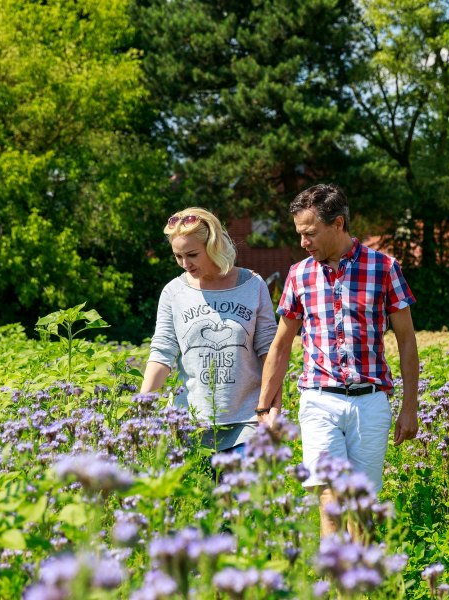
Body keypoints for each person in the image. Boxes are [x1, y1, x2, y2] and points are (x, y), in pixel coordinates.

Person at [256, 184, 419, 537]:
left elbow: (406, 340)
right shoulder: (299, 274)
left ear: (338, 224)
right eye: (299, 234)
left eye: (310, 233)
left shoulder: (384, 267)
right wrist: (264, 410)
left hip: (370, 402)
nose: (303, 242)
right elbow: (281, 345)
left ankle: (358, 588)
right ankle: (332, 585)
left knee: (361, 506)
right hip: (319, 399)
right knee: (330, 498)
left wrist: (410, 407)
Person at [140, 207, 279, 453]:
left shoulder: (253, 285)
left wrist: (271, 408)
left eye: (192, 254)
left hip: (247, 422)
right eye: (178, 256)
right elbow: (162, 352)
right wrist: (142, 405)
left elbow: (270, 351)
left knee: (245, 492)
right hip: (189, 424)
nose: (185, 264)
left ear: (213, 245)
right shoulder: (174, 292)